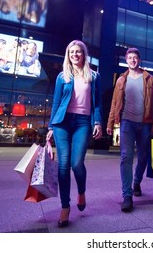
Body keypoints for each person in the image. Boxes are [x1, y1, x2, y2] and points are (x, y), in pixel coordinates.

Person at [46, 40, 103, 228]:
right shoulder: (63, 77)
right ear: (68, 55)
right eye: (72, 52)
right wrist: (51, 127)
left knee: (76, 163)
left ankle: (81, 191)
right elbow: (56, 103)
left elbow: (97, 103)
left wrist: (97, 122)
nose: (75, 55)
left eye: (78, 52)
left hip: (83, 122)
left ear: (84, 54)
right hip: (62, 122)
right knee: (63, 164)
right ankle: (65, 207)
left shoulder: (94, 76)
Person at [107, 48, 153, 212]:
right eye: (130, 58)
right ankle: (127, 195)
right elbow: (115, 103)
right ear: (126, 60)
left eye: (135, 57)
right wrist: (110, 123)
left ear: (139, 60)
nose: (132, 60)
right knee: (126, 156)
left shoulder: (149, 79)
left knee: (143, 157)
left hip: (145, 124)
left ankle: (137, 182)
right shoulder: (121, 80)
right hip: (127, 123)